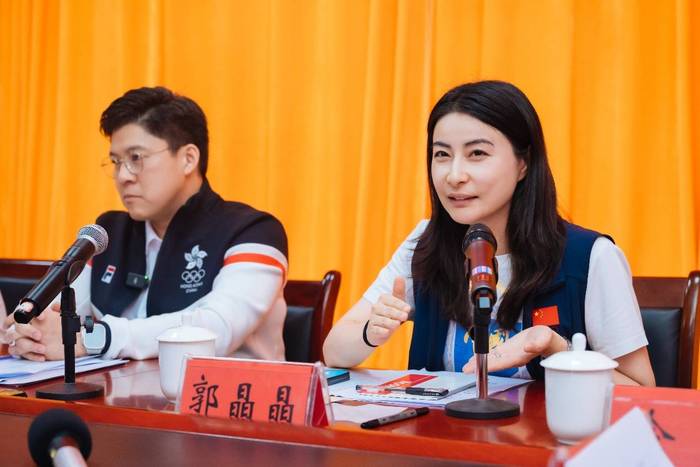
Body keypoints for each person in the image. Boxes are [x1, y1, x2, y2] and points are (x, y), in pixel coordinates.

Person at [323, 80, 655, 386]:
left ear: (523, 163)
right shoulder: (425, 243)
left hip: (549, 434)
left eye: (477, 154)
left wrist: (556, 349)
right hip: (443, 431)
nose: (454, 175)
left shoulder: (590, 256)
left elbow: (642, 392)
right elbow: (333, 352)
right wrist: (371, 332)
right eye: (442, 155)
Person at [2, 86, 288, 362]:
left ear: (188, 159)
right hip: (123, 392)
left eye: (136, 158)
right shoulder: (109, 234)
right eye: (116, 161)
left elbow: (216, 329)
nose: (123, 176)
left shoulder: (254, 232)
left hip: (226, 394)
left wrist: (95, 338)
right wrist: (32, 333)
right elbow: (54, 314)